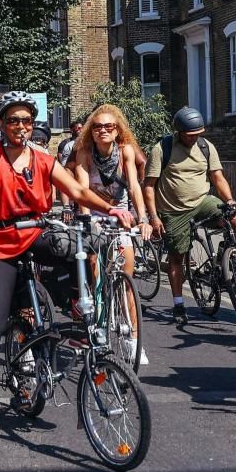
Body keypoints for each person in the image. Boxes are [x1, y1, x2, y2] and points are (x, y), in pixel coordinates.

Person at [0, 90, 133, 433]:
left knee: (77, 249)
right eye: (13, 120)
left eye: (26, 121)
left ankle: (77, 312)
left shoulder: (43, 160)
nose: (20, 127)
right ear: (1, 124)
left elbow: (77, 191)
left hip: (34, 234)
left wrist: (113, 209)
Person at [143, 107, 236, 326]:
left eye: (199, 133)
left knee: (232, 216)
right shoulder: (162, 148)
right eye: (190, 134)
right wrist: (153, 217)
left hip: (201, 201)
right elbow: (149, 186)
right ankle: (178, 303)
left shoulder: (206, 147)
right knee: (177, 258)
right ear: (178, 131)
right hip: (173, 210)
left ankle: (230, 254)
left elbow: (217, 177)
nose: (195, 137)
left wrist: (230, 200)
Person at [73, 104, 153, 365]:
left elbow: (134, 187)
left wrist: (142, 219)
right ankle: (99, 323)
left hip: (120, 214)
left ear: (118, 130)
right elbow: (82, 191)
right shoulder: (84, 153)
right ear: (90, 131)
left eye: (109, 127)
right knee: (96, 268)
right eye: (97, 127)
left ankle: (133, 340)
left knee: (125, 273)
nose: (103, 131)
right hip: (94, 213)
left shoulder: (126, 151)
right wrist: (85, 219)